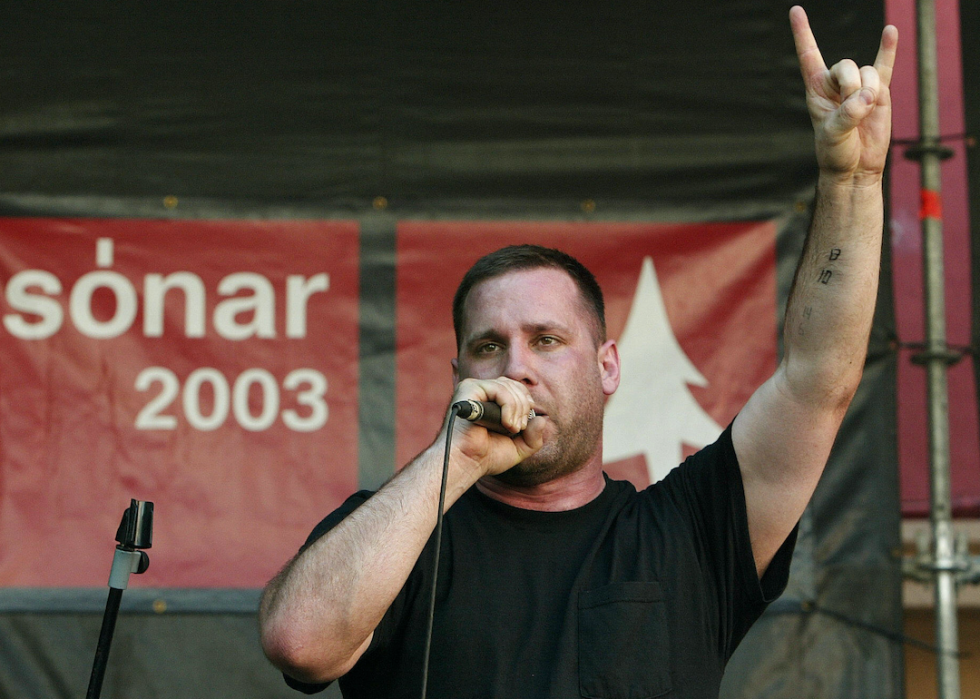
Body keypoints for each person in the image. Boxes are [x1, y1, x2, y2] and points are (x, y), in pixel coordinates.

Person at [259, 6, 898, 698]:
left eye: (546, 339)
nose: (516, 364)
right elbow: (300, 643)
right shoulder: (397, 534)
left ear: (607, 366)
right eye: (487, 345)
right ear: (457, 377)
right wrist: (460, 458)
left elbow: (816, 382)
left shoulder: (686, 530)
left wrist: (852, 184)